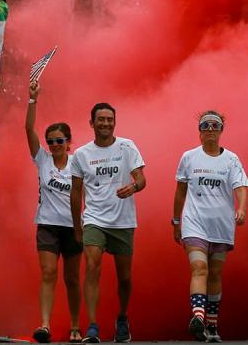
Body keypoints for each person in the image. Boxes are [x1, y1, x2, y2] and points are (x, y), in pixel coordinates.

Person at [70, 103, 146, 343]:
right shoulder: (82, 154)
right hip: (94, 219)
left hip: (123, 220)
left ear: (114, 122)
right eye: (100, 119)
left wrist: (132, 187)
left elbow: (142, 179)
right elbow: (75, 192)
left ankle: (122, 318)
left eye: (109, 119)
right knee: (92, 266)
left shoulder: (127, 146)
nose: (105, 123)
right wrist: (77, 227)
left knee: (124, 277)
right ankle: (92, 326)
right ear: (92, 123)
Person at [173, 111, 248, 343]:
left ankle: (212, 325)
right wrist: (176, 221)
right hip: (194, 223)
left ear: (221, 130)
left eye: (214, 125)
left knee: (215, 273)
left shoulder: (231, 160)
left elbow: (240, 186)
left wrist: (242, 207)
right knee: (199, 268)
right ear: (199, 130)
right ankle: (198, 316)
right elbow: (180, 191)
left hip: (221, 225)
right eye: (205, 125)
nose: (210, 129)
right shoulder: (189, 157)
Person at [25, 81, 82, 343]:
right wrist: (33, 99)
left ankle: (74, 326)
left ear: (69, 143)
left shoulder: (78, 163)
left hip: (73, 227)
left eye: (60, 141)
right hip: (47, 225)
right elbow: (28, 129)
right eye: (51, 142)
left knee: (71, 279)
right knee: (48, 273)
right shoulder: (43, 159)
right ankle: (45, 324)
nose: (55, 145)